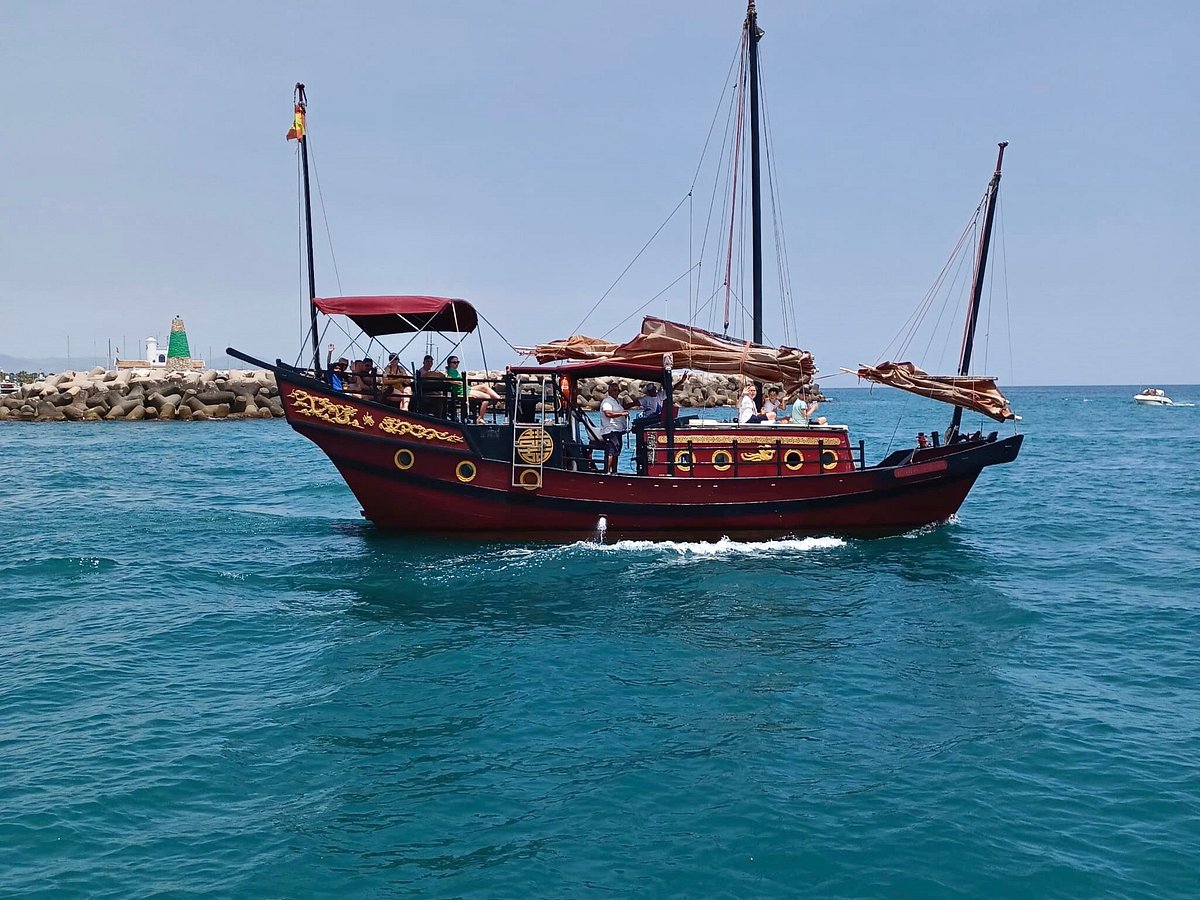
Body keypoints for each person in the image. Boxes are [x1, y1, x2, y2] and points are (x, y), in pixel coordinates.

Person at [599, 381, 631, 473]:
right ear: (609, 391)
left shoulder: (616, 402)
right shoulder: (607, 402)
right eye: (614, 390)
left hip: (618, 430)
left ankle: (614, 471)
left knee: (616, 451)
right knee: (611, 452)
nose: (616, 392)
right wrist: (621, 413)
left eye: (618, 390)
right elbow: (608, 413)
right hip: (610, 431)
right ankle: (607, 472)